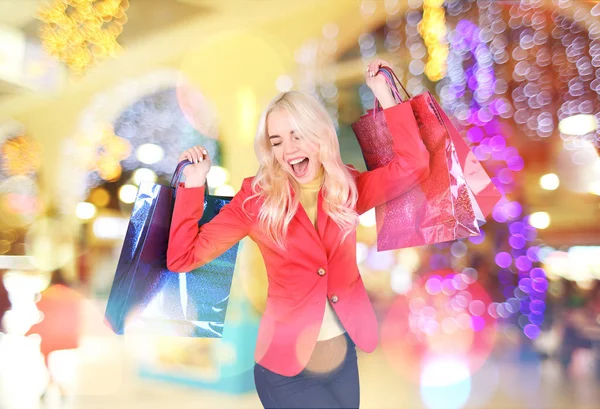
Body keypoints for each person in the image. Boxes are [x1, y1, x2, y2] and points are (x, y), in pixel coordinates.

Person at [167, 58, 430, 408]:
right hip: (285, 370)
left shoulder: (347, 188)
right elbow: (183, 257)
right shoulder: (257, 200)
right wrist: (193, 184)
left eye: (297, 135)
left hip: (342, 358)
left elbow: (414, 165)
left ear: (319, 135)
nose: (288, 150)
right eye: (276, 141)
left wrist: (385, 95)